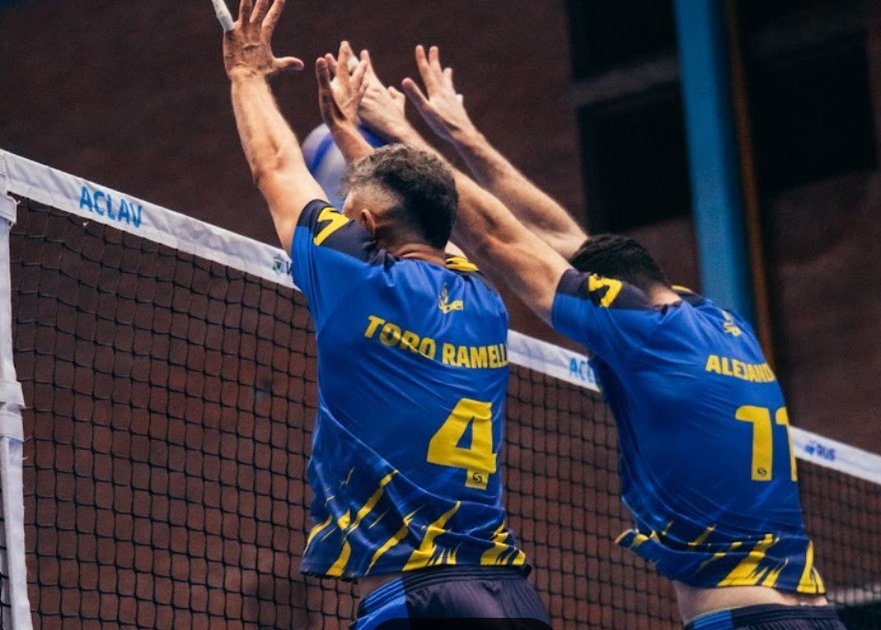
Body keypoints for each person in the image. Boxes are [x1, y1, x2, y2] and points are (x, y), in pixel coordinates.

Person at [349, 44, 847, 630]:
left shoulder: (640, 333)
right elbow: (562, 238)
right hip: (816, 614)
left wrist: (400, 138)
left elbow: (498, 239)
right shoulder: (720, 323)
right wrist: (466, 136)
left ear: (612, 297)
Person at [221, 2, 551, 628]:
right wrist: (351, 134)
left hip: (417, 600)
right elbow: (424, 212)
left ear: (368, 226)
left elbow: (276, 168)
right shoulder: (483, 299)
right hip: (514, 600)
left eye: (349, 213)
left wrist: (246, 74)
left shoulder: (358, 278)